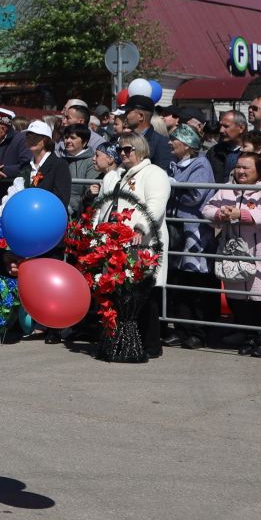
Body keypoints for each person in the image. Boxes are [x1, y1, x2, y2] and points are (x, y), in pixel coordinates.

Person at [92, 132, 171, 361]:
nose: (123, 154)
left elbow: (156, 204)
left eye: (128, 149)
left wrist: (140, 227)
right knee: (123, 295)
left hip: (144, 243)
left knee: (145, 295)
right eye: (121, 150)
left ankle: (150, 344)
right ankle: (125, 341)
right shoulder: (121, 176)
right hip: (118, 245)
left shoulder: (154, 173)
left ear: (141, 150)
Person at [203, 153, 261, 358]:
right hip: (233, 253)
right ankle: (248, 337)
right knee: (237, 298)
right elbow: (207, 209)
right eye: (238, 167)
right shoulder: (227, 188)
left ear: (258, 171)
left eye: (246, 168)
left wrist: (243, 215)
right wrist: (221, 214)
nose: (240, 171)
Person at [164, 125, 216, 348]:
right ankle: (181, 328)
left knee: (195, 280)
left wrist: (174, 187)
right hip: (174, 227)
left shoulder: (201, 164)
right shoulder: (173, 165)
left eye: (174, 140)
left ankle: (198, 331)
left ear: (186, 144)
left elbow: (196, 195)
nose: (169, 143)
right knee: (177, 280)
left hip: (194, 231)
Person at [119, 96, 174, 172]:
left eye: (128, 112)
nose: (125, 116)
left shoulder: (162, 143)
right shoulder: (125, 140)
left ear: (141, 116)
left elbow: (163, 173)